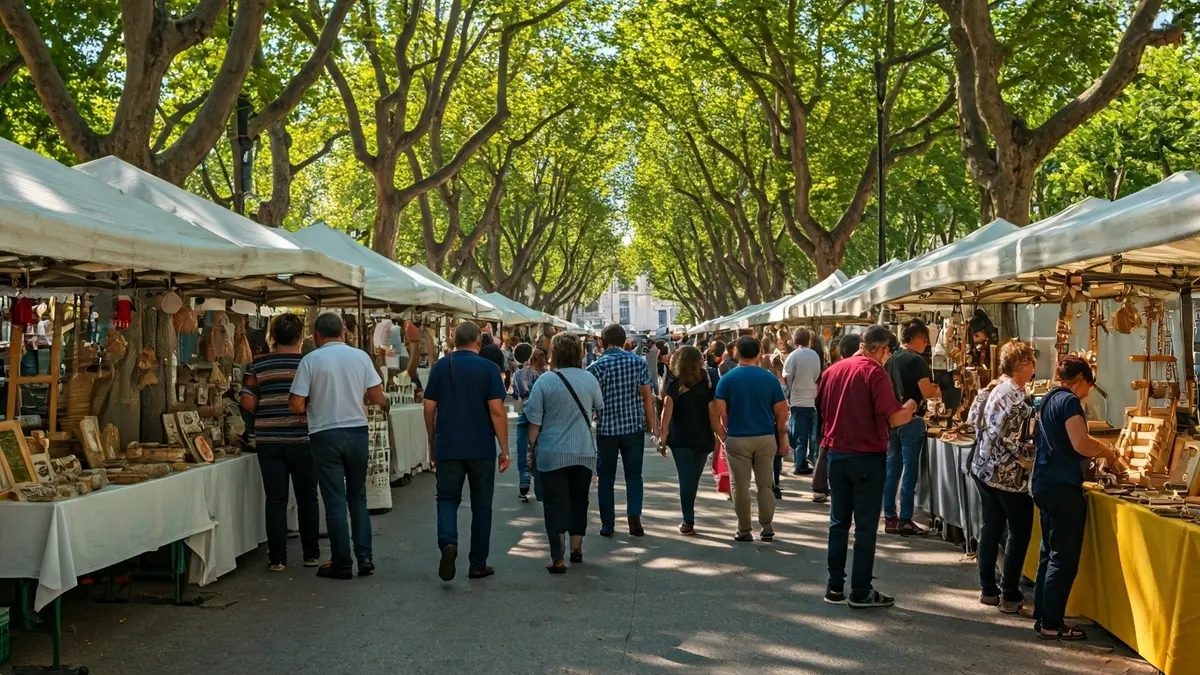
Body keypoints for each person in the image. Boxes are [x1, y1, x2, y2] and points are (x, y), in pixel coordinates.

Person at [815, 324, 917, 608]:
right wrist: (910, 406)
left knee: (838, 523)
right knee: (865, 527)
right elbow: (894, 418)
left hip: (836, 453)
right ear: (883, 349)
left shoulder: (832, 371)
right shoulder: (874, 372)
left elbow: (820, 409)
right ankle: (860, 590)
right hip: (866, 456)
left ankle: (835, 586)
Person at [288, 312, 387, 580]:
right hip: (356, 431)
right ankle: (364, 557)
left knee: (334, 501)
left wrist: (309, 408)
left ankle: (342, 562)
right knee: (358, 497)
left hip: (325, 434)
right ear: (344, 333)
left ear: (317, 336)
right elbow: (377, 396)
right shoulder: (360, 357)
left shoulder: (311, 360)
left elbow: (296, 403)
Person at [1032, 356, 1120, 641]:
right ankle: (1052, 624)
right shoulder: (1069, 402)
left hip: (1044, 483)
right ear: (1081, 378)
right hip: (1061, 486)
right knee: (1063, 557)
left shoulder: (1048, 398)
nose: (1089, 390)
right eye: (1089, 384)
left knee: (1048, 551)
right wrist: (1109, 451)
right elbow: (1080, 442)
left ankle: (1042, 614)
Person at [423, 322, 511, 582]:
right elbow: (497, 411)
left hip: (448, 445)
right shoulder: (489, 369)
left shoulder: (440, 367)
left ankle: (448, 542)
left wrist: (432, 442)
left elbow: (429, 409)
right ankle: (477, 563)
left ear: (453, 341)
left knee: (447, 499)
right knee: (482, 505)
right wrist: (504, 448)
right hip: (481, 447)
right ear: (478, 343)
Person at [241, 313, 319, 571]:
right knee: (307, 496)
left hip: (268, 439)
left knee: (275, 499)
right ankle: (311, 554)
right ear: (300, 337)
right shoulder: (309, 364)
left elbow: (247, 402)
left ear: (272, 337)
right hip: (303, 438)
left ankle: (277, 559)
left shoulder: (256, 366)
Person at [967, 340, 1037, 614]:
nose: (1034, 368)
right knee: (1019, 531)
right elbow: (1015, 440)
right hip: (1007, 476)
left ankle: (987, 589)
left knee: (991, 526)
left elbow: (973, 420)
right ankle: (1009, 593)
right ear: (1022, 365)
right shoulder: (1019, 400)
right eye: (1031, 362)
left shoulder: (993, 388)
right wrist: (1030, 458)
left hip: (983, 468)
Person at [526, 334, 603, 573]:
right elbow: (599, 407)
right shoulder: (589, 378)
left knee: (555, 503)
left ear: (555, 354)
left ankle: (557, 556)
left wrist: (531, 449)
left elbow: (534, 422)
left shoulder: (545, 381)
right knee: (580, 500)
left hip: (552, 453)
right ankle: (577, 548)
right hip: (583, 451)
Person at [710, 336, 788, 542]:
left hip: (737, 437)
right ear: (759, 352)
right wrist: (782, 438)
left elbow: (719, 410)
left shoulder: (727, 379)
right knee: (765, 485)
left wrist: (723, 434)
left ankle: (744, 529)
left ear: (737, 352)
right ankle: (767, 526)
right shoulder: (770, 378)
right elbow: (782, 412)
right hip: (765, 437)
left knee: (740, 486)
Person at [588, 323, 656, 537]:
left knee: (606, 477)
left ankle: (608, 524)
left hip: (607, 429)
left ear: (602, 341)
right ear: (625, 340)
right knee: (634, 475)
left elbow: (591, 403)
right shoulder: (638, 363)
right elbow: (647, 396)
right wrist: (651, 425)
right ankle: (634, 518)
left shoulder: (595, 367)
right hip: (633, 427)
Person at [883, 319, 940, 536]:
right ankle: (906, 518)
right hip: (911, 418)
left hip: (892, 420)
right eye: (925, 339)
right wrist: (938, 389)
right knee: (909, 470)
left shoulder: (891, 359)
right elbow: (926, 392)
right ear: (917, 338)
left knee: (892, 469)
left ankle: (890, 516)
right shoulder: (917, 361)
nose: (926, 343)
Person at [658, 346, 717, 535]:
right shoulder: (707, 383)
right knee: (693, 477)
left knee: (686, 477)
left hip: (680, 437)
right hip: (703, 437)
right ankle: (688, 517)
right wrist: (720, 435)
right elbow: (713, 412)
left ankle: (688, 520)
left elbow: (666, 413)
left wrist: (663, 438)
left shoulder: (673, 383)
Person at [784, 328, 822, 476]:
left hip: (797, 401)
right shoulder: (815, 356)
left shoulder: (793, 356)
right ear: (809, 341)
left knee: (798, 436)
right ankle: (811, 459)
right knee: (811, 436)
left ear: (794, 341)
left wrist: (790, 391)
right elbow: (816, 376)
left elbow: (787, 376)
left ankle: (799, 464)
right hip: (811, 400)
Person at [513, 344, 547, 502]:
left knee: (522, 449)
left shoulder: (520, 373)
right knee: (539, 451)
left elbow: (518, 393)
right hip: (542, 418)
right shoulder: (548, 375)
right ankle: (540, 489)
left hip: (525, 413)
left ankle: (524, 479)